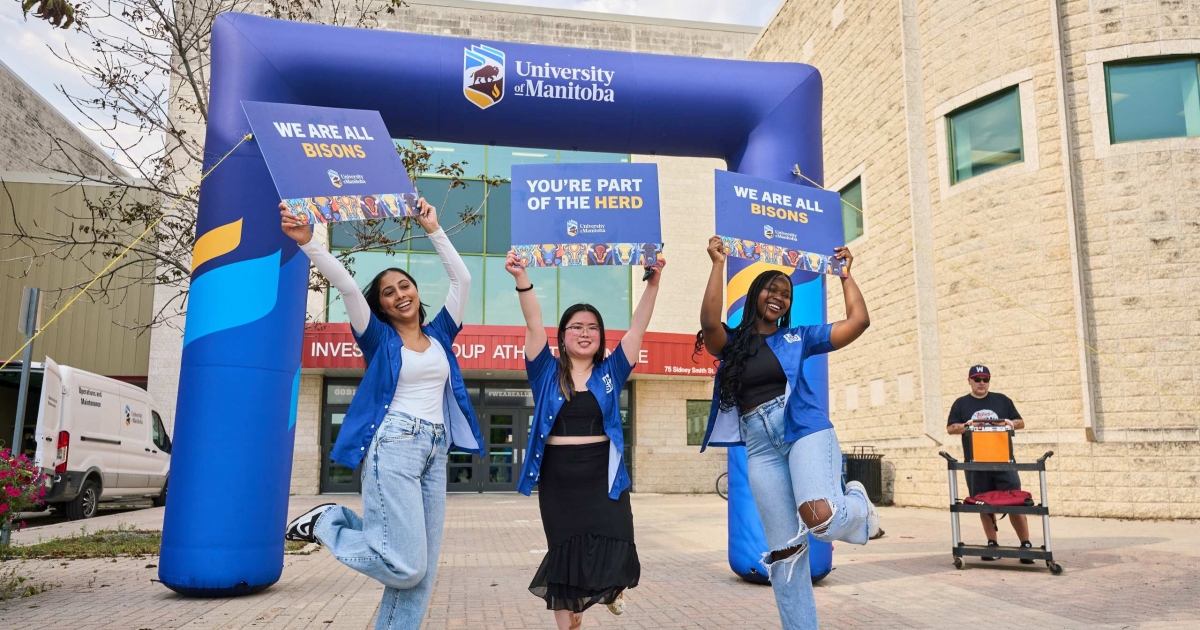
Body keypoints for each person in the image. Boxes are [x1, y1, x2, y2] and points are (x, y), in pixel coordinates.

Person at [279, 198, 484, 630]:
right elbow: (348, 287)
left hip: (435, 451)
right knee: (406, 565)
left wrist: (433, 229)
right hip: (394, 444)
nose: (399, 294)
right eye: (388, 292)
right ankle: (327, 523)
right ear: (382, 306)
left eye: (404, 286)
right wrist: (309, 243)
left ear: (416, 292)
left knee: (420, 571)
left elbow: (462, 279)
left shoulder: (441, 333)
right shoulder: (377, 338)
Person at [695, 236, 881, 630]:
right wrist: (717, 264)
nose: (779, 297)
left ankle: (859, 507)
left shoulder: (799, 338)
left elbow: (858, 322)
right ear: (755, 294)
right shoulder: (732, 343)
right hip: (760, 448)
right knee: (785, 553)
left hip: (803, 430)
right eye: (772, 289)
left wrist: (846, 275)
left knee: (821, 521)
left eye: (786, 293)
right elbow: (709, 323)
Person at [505, 251, 663, 630]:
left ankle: (608, 589)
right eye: (576, 326)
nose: (585, 332)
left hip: (603, 479)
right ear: (562, 336)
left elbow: (637, 328)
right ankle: (570, 621)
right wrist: (522, 278)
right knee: (564, 558)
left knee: (617, 543)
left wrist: (653, 283)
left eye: (592, 327)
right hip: (559, 480)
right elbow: (533, 321)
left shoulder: (612, 371)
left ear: (600, 337)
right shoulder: (544, 370)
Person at [946, 365, 1033, 563]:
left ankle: (1026, 545)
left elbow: (1020, 422)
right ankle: (992, 544)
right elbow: (951, 428)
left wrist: (1006, 423)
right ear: (969, 381)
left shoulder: (1002, 400)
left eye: (985, 379)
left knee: (1015, 502)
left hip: (1004, 461)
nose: (982, 383)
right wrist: (969, 425)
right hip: (976, 463)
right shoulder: (961, 403)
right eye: (977, 379)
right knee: (984, 504)